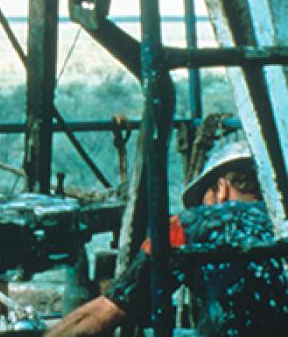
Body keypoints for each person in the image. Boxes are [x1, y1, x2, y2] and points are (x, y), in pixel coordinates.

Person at [46, 138, 288, 336]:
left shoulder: (188, 225)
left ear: (222, 187)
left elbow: (107, 311)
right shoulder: (280, 227)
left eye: (205, 196)